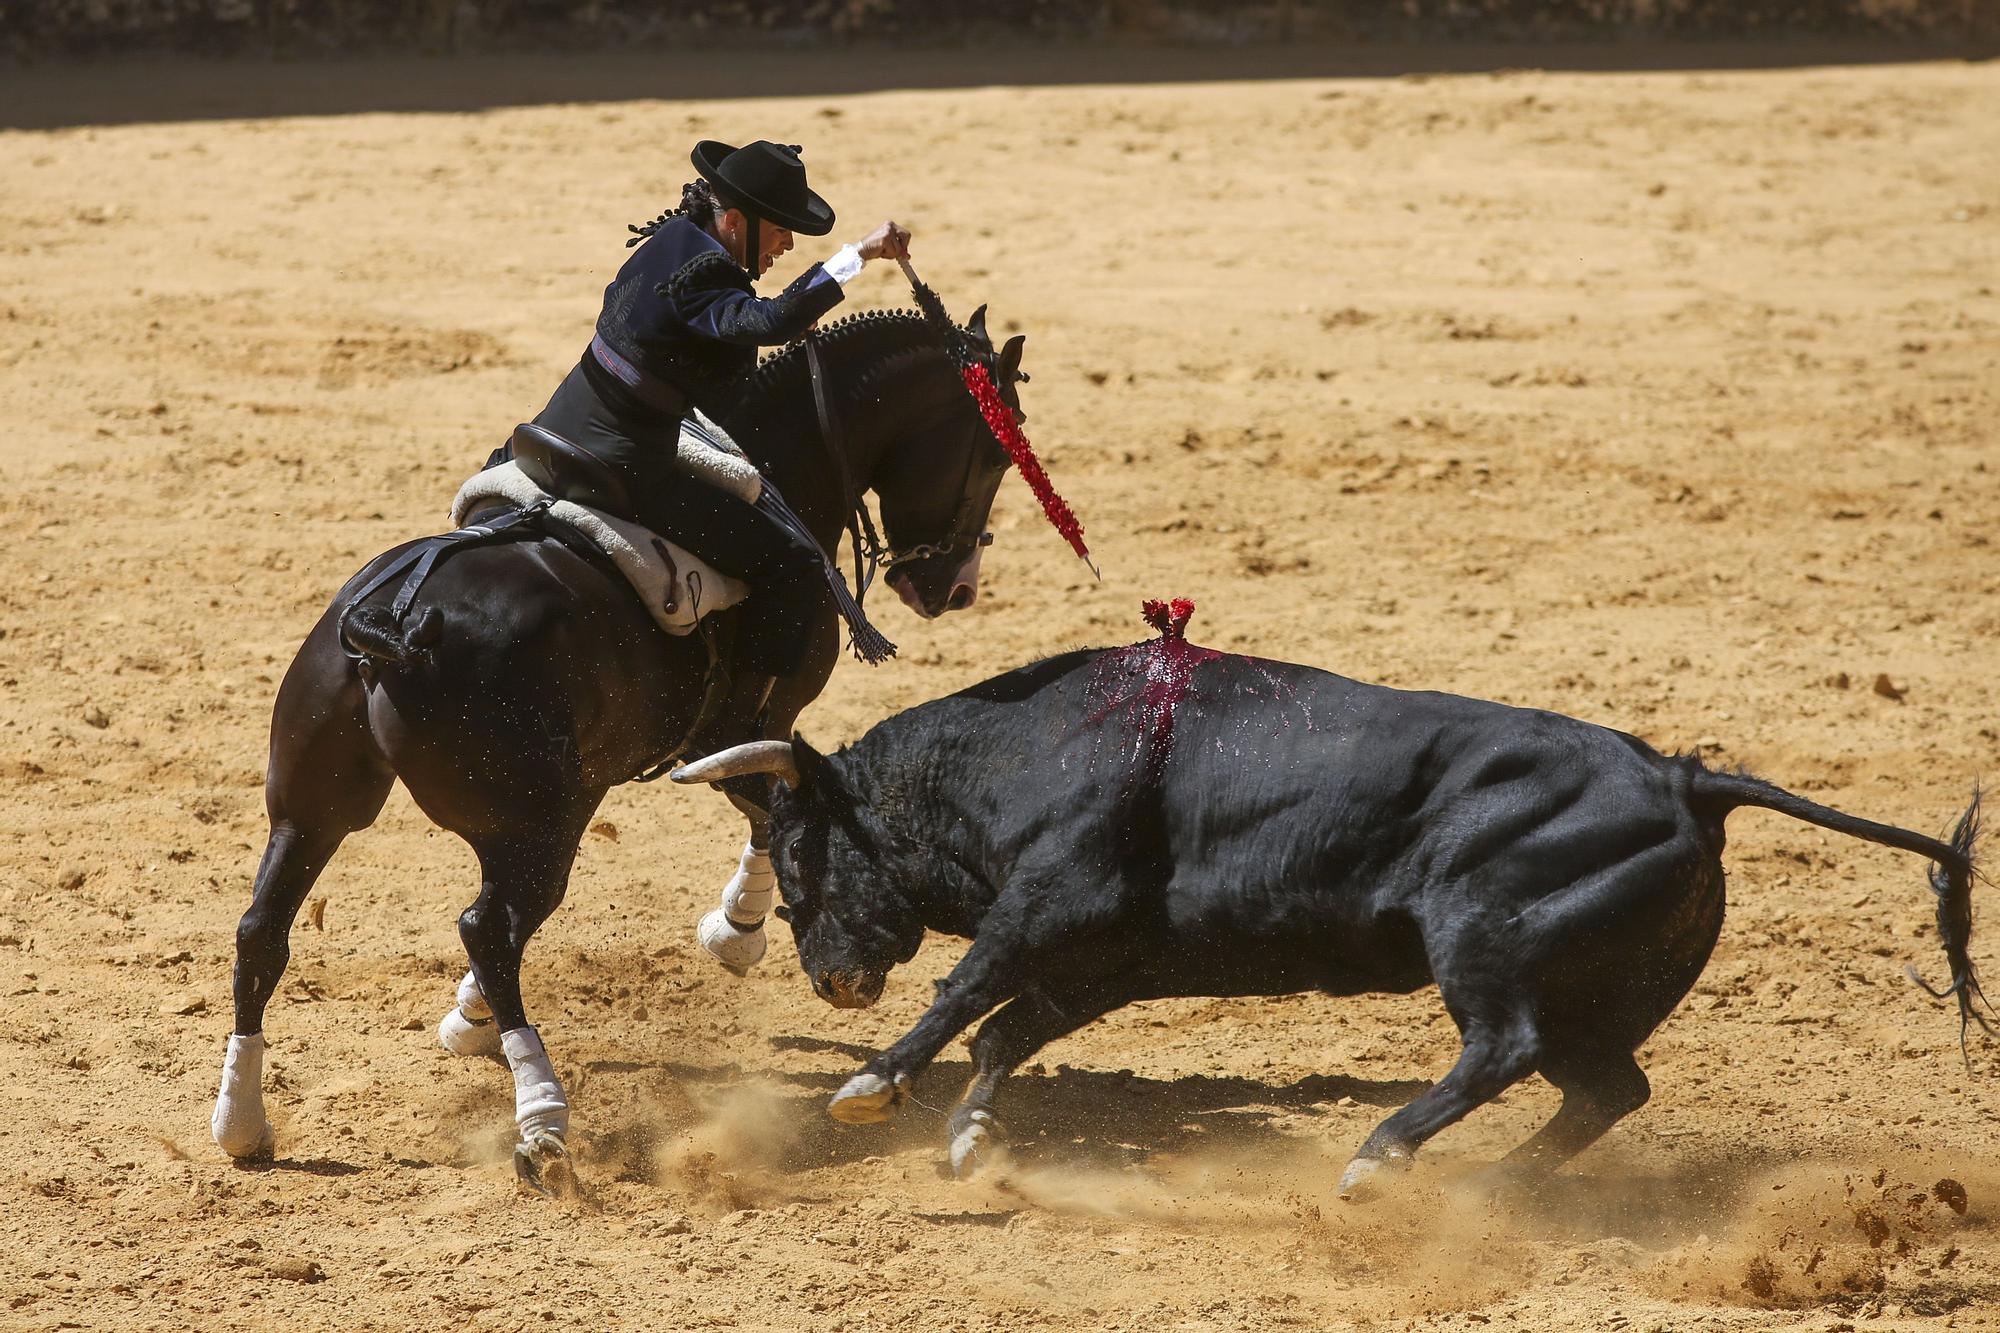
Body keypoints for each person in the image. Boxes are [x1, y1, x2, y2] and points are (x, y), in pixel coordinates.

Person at [523, 138, 911, 687]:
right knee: (792, 562)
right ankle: (742, 713)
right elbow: (764, 323)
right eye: (778, 230)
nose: (786, 245)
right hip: (625, 461)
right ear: (733, 221)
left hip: (557, 425)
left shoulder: (672, 239)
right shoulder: (708, 272)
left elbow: (697, 331)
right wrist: (859, 256)